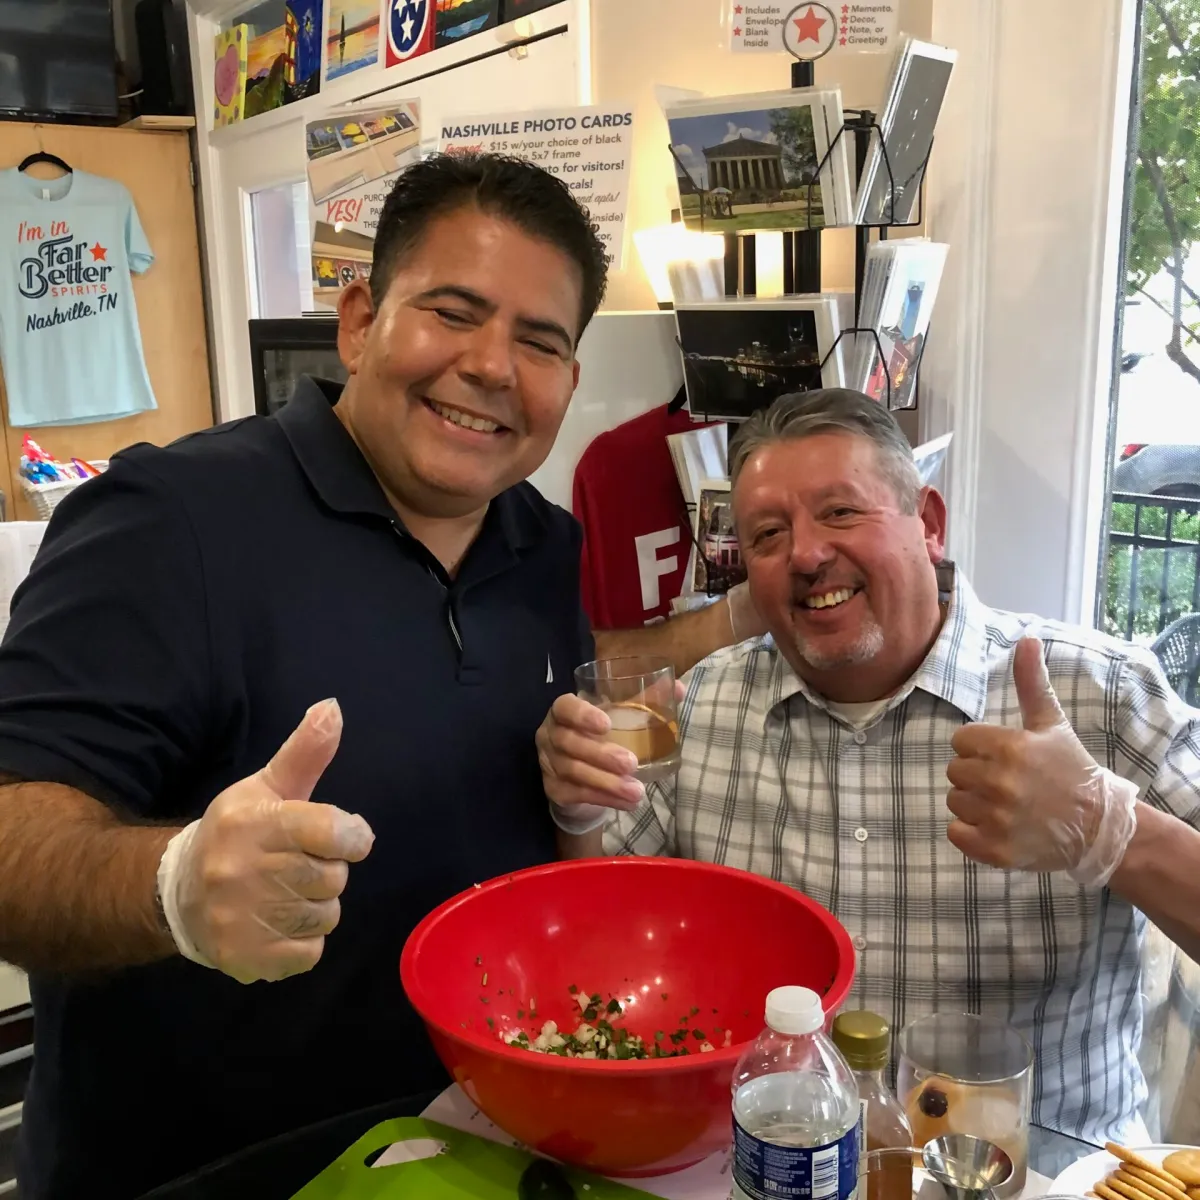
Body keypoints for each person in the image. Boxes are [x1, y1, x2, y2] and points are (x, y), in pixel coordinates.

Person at [0, 154, 755, 1200]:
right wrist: (174, 885)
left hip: (470, 1153)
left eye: (539, 341)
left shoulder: (543, 548)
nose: (493, 366)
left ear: (568, 385)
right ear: (358, 320)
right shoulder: (169, 522)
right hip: (204, 1174)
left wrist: (571, 793)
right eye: (454, 311)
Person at [539, 387, 1200, 1144]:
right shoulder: (701, 704)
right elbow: (602, 937)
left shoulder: (1100, 694)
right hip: (769, 1168)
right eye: (767, 534)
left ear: (929, 524)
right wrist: (578, 807)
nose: (808, 553)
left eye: (841, 512)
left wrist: (1109, 829)